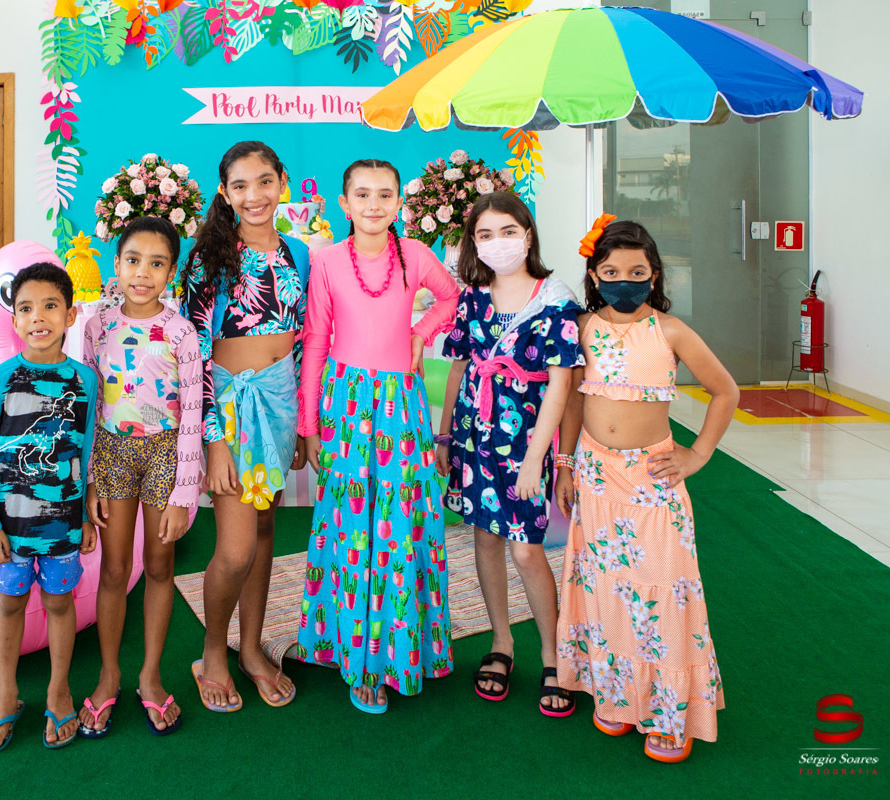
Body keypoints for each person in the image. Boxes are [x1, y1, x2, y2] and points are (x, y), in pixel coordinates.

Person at [554, 217, 737, 763]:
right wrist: (565, 465)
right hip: (595, 475)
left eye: (637, 272)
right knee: (606, 586)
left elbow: (725, 391)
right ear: (594, 275)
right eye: (611, 272)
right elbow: (574, 401)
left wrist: (697, 454)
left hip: (652, 479)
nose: (624, 282)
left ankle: (668, 711)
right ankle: (616, 693)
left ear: (654, 275)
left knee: (661, 589)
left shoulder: (671, 332)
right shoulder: (582, 327)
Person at [297, 158, 459, 713]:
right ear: (344, 203)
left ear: (399, 203)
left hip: (401, 406)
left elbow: (451, 298)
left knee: (400, 527)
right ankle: (355, 656)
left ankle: (399, 652)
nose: (373, 204)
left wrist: (420, 332)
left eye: (385, 194)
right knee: (349, 526)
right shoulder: (326, 261)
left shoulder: (415, 254)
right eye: (362, 194)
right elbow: (316, 341)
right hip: (344, 404)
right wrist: (309, 424)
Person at [435, 192, 583, 714]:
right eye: (485, 235)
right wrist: (445, 436)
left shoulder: (557, 301)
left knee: (526, 548)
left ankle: (553, 654)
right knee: (485, 538)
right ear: (473, 243)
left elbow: (562, 387)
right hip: (474, 438)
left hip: (526, 445)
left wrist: (536, 460)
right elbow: (458, 368)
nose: (497, 243)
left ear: (528, 234)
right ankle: (502, 643)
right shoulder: (472, 299)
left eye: (507, 232)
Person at [179, 141, 309, 711]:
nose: (254, 196)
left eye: (264, 182)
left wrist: (301, 422)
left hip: (280, 405)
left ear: (282, 181)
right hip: (229, 410)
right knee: (234, 550)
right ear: (224, 192)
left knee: (263, 531)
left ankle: (252, 649)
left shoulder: (300, 253)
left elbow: (303, 343)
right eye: (240, 186)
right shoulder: (209, 258)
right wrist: (214, 442)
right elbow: (195, 355)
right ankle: (212, 652)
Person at [78, 216, 202, 738]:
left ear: (171, 272)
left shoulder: (181, 332)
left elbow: (193, 413)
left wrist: (183, 493)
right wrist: (87, 481)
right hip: (110, 453)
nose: (143, 273)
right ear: (117, 264)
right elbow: (86, 405)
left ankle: (150, 676)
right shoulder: (96, 325)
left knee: (158, 565)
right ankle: (109, 675)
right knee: (113, 569)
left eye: (156, 264)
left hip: (164, 455)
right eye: (133, 261)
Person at [0, 262, 100, 751]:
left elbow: (85, 451)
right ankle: (6, 694)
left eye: (50, 306)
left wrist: (84, 514)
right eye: (26, 308)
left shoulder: (85, 381)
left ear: (70, 315)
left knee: (59, 603)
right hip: (9, 526)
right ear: (14, 321)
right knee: (11, 604)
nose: (38, 317)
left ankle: (58, 689)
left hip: (63, 523)